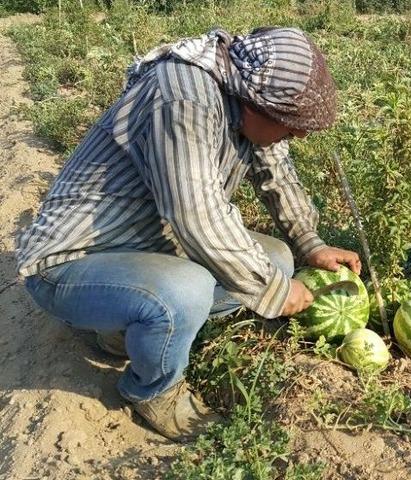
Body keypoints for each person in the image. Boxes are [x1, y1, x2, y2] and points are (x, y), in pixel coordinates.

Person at [15, 27, 361, 441]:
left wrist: (311, 243)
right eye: (292, 126)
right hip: (72, 261)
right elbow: (195, 214)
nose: (299, 135)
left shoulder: (246, 100)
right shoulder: (182, 99)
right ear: (255, 104)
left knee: (278, 260)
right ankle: (153, 391)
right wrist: (273, 291)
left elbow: (277, 176)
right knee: (188, 290)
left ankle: (121, 329)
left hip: (144, 242)